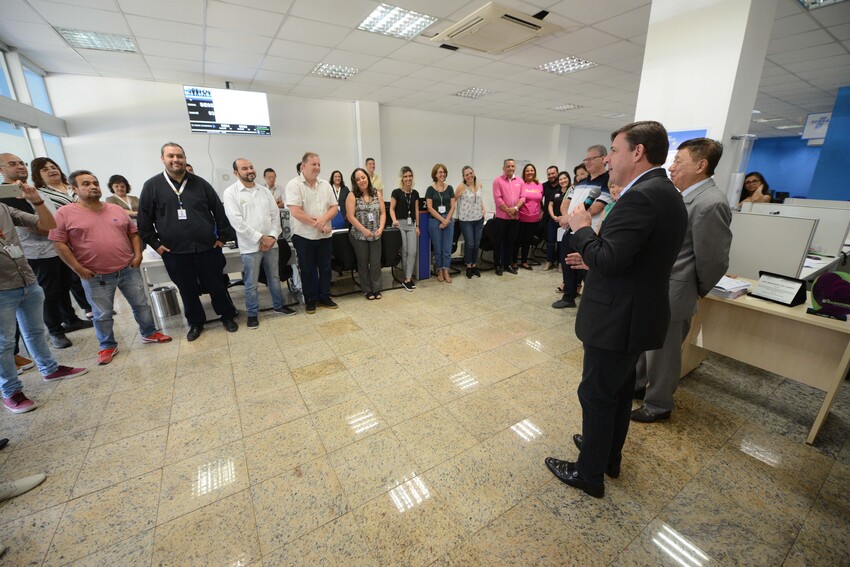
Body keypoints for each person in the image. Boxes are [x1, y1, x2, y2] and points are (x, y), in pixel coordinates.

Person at [544, 120, 688, 499]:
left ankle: (588, 472)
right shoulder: (665, 192)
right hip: (637, 311)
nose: (608, 158)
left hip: (617, 317)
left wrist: (583, 227)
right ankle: (607, 454)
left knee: (596, 393)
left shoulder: (640, 196)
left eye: (614, 150)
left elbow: (610, 258)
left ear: (637, 152)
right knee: (620, 392)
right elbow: (633, 257)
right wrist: (595, 260)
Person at [632, 138, 732, 423]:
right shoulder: (684, 196)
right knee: (647, 344)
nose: (671, 168)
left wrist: (695, 289)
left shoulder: (710, 203)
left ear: (701, 166)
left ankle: (658, 404)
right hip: (659, 286)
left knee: (663, 353)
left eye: (678, 162)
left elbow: (713, 259)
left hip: (676, 290)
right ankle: (639, 387)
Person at [51, 170, 172, 366]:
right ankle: (107, 345)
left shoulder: (115, 210)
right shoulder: (64, 213)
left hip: (127, 268)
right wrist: (78, 269)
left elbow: (133, 233)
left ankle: (149, 333)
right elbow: (59, 244)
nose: (93, 187)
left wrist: (138, 254)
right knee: (102, 314)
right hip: (95, 274)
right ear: (74, 189)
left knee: (141, 304)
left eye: (95, 183)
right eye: (86, 184)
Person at [0, 179, 87, 414]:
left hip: (26, 280)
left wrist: (36, 200)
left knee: (36, 332)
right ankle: (11, 392)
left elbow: (48, 226)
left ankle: (49, 368)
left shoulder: (5, 209)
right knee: (4, 343)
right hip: (2, 288)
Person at [137, 142, 239, 342]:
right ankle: (196, 322)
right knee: (187, 289)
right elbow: (144, 221)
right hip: (175, 252)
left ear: (185, 158)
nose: (176, 160)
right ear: (163, 159)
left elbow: (219, 211)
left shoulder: (200, 184)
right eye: (171, 156)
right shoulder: (152, 186)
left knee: (217, 284)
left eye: (180, 156)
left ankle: (227, 316)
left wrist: (221, 238)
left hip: (207, 248)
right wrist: (157, 245)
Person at [3, 155, 92, 351]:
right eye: (12, 164)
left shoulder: (29, 190)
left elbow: (49, 217)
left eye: (21, 163)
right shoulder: (8, 195)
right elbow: (36, 225)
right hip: (37, 251)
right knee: (49, 293)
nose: (19, 167)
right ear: (1, 170)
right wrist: (58, 231)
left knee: (63, 286)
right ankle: (54, 331)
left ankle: (70, 319)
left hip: (55, 247)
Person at [223, 159, 295, 330]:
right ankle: (253, 314)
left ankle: (279, 306)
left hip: (272, 244)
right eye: (244, 168)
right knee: (251, 282)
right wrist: (260, 238)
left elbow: (275, 215)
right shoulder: (231, 193)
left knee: (274, 278)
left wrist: (271, 237)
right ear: (236, 173)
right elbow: (237, 222)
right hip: (250, 247)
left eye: (251, 167)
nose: (249, 170)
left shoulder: (264, 191)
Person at [29, 157, 94, 321]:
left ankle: (95, 304)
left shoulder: (72, 187)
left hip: (87, 236)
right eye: (45, 169)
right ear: (37, 175)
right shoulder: (41, 193)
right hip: (64, 237)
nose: (52, 170)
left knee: (90, 271)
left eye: (53, 166)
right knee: (74, 277)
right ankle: (87, 307)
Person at [553, 146, 613, 309]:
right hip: (571, 230)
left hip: (590, 232)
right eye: (585, 160)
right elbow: (566, 202)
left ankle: (591, 301)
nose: (587, 162)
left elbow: (595, 208)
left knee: (587, 267)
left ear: (603, 158)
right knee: (568, 263)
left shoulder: (607, 181)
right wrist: (566, 217)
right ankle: (569, 296)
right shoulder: (580, 183)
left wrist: (569, 218)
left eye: (591, 159)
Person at [285, 152, 339, 314]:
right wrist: (319, 224)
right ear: (303, 166)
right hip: (303, 236)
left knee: (325, 268)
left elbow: (334, 207)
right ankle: (310, 300)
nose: (317, 168)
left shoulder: (325, 185)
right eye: (313, 164)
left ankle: (324, 296)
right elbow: (295, 211)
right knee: (307, 270)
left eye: (319, 164)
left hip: (324, 235)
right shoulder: (294, 185)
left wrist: (323, 222)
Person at [347, 168, 385, 300]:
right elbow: (350, 217)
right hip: (359, 235)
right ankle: (367, 290)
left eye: (363, 177)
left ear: (367, 178)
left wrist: (381, 228)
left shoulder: (377, 194)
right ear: (355, 182)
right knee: (363, 263)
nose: (361, 181)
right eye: (358, 179)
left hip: (376, 234)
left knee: (375, 262)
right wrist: (364, 230)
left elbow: (383, 213)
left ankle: (377, 288)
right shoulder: (352, 195)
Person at [389, 166, 420, 291]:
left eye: (410, 176)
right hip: (400, 224)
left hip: (411, 224)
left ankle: (408, 278)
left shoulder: (415, 193)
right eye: (405, 176)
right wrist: (394, 220)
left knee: (412, 250)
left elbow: (416, 210)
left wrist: (417, 226)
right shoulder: (396, 192)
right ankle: (406, 279)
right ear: (402, 178)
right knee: (405, 250)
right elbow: (391, 208)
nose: (408, 178)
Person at [425, 163, 455, 283]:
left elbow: (453, 206)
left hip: (448, 219)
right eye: (440, 172)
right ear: (435, 175)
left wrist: (447, 220)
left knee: (447, 248)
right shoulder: (430, 189)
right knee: (438, 248)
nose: (442, 174)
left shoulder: (450, 188)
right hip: (435, 221)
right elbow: (429, 208)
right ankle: (439, 270)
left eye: (444, 172)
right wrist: (442, 220)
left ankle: (446, 270)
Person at [491, 159, 522, 276]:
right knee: (498, 242)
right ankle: (498, 265)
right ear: (503, 168)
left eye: (512, 166)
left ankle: (507, 264)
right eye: (508, 166)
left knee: (511, 242)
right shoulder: (497, 181)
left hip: (515, 218)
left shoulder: (520, 181)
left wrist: (516, 209)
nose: (510, 168)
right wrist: (509, 210)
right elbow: (498, 198)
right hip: (501, 218)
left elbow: (523, 197)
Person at [454, 165, 485, 279]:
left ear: (474, 173)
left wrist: (483, 208)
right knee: (470, 243)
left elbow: (479, 199)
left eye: (470, 173)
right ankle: (468, 266)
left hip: (478, 219)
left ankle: (474, 265)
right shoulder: (461, 187)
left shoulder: (479, 184)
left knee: (477, 244)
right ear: (464, 177)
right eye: (467, 174)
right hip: (466, 220)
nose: (469, 176)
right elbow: (453, 200)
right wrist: (451, 215)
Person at [515, 163, 544, 270]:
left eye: (531, 170)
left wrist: (542, 211)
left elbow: (540, 201)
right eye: (527, 171)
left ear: (534, 172)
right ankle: (514, 261)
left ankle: (524, 261)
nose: (530, 172)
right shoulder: (521, 184)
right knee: (518, 241)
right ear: (524, 173)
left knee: (527, 241)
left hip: (534, 219)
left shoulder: (539, 185)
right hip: (521, 217)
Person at [541, 165, 561, 270]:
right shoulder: (544, 186)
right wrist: (541, 209)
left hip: (562, 217)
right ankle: (549, 261)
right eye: (549, 174)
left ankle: (559, 261)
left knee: (561, 241)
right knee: (550, 240)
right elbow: (538, 198)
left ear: (557, 173)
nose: (551, 176)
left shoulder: (563, 186)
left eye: (553, 173)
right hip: (548, 218)